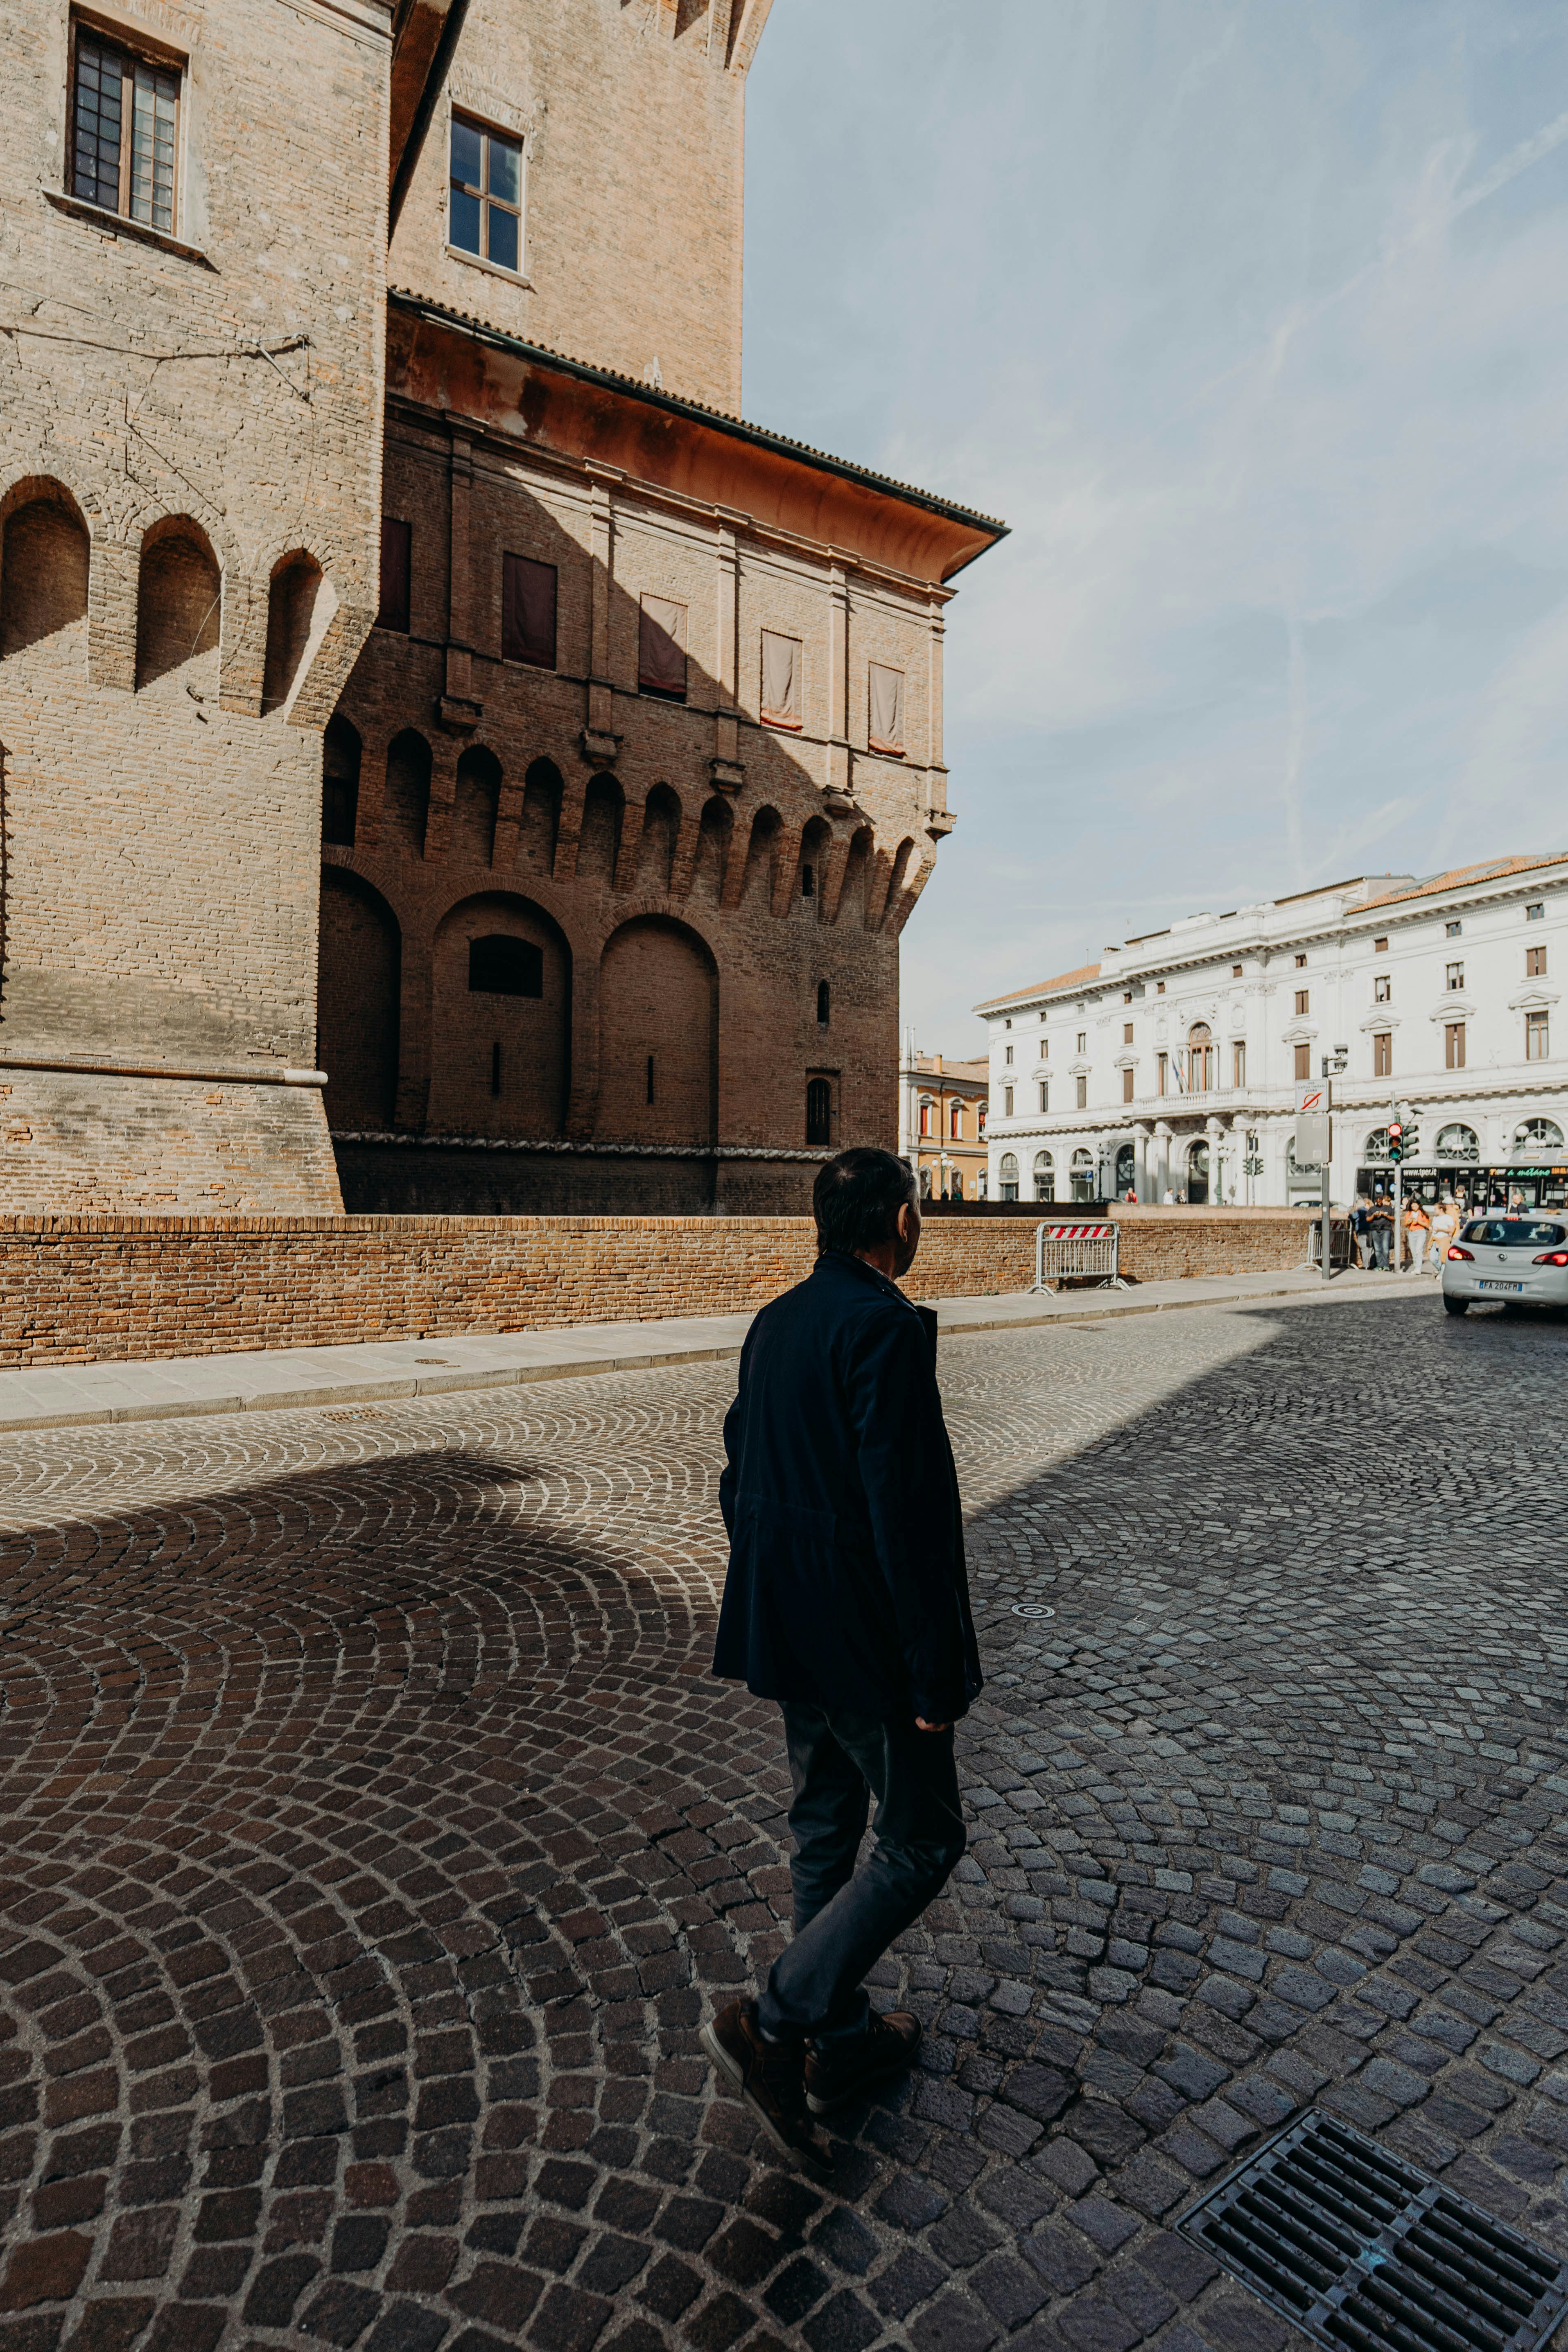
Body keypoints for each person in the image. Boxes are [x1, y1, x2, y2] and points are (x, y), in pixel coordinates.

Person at [703, 1147, 980, 2177]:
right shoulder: (883, 1329)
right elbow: (907, 1522)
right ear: (899, 1221)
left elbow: (739, 1468)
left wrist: (775, 1576)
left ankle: (842, 2035)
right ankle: (779, 2017)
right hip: (864, 1640)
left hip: (789, 1621)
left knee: (825, 1822)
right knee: (920, 1838)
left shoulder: (779, 1318)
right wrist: (933, 1675)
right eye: (917, 1209)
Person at [1429, 1194, 1460, 1273]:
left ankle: (1446, 1272)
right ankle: (1443, 1271)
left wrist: (1450, 1236)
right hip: (1447, 1236)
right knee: (1439, 1257)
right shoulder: (1453, 1211)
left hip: (1451, 1236)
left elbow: (1453, 1226)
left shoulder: (1450, 1212)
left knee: (1445, 1256)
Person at [1403, 1195, 1431, 1273]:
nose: (1414, 1206)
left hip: (1421, 1233)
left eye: (1416, 1204)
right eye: (1413, 1204)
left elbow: (1427, 1225)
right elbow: (1406, 1224)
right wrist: (1410, 1221)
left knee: (1419, 1250)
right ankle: (1416, 1266)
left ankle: (1418, 1268)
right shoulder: (1409, 1213)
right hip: (1412, 1233)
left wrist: (1418, 1221)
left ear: (1419, 1205)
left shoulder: (1423, 1213)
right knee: (1413, 1251)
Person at [1367, 1193, 1393, 1270]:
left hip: (1386, 1229)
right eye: (1377, 1200)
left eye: (1380, 1200)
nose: (1379, 1201)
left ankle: (1386, 1265)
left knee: (1385, 1248)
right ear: (1375, 1201)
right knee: (1378, 1249)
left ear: (1382, 1200)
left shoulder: (1389, 1208)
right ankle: (1380, 1265)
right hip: (1375, 1229)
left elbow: (1394, 1218)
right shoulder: (1372, 1209)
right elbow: (1368, 1219)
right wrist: (1374, 1216)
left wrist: (1386, 1216)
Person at [1351, 1193, 1371, 1269]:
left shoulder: (1359, 1211)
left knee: (1364, 1248)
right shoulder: (1368, 1211)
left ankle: (1365, 1265)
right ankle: (1370, 1264)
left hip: (1362, 1231)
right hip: (1369, 1231)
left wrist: (1349, 1215)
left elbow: (1353, 1217)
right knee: (1369, 1248)